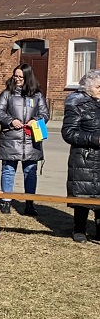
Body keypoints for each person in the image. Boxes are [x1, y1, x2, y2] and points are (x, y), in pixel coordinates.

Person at [0, 63, 49, 215]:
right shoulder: (7, 94)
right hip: (11, 138)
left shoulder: (37, 95)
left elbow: (45, 114)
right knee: (8, 170)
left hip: (31, 140)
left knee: (30, 172)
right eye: (15, 76)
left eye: (20, 77)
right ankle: (6, 201)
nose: (17, 79)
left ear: (28, 78)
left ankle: (29, 203)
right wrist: (11, 121)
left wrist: (35, 120)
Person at [61, 67, 100, 244]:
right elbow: (68, 132)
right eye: (98, 87)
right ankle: (79, 229)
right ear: (88, 87)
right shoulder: (77, 105)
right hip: (84, 158)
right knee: (83, 195)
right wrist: (95, 139)